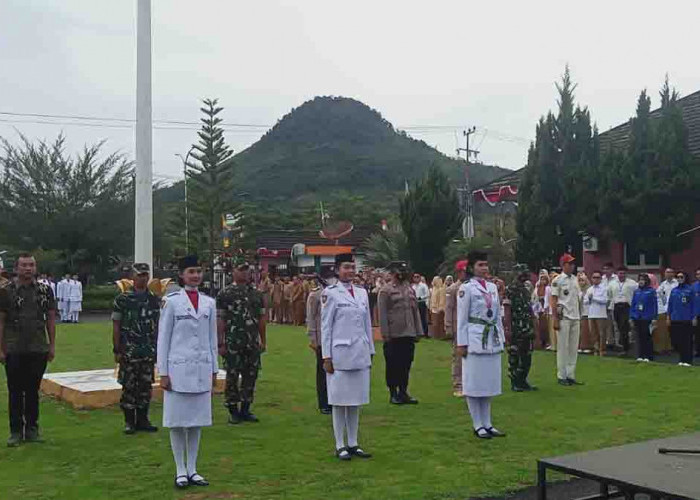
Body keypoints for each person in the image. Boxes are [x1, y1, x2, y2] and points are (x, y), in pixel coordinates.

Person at [157, 255, 218, 489]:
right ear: (181, 275)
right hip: (178, 369)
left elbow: (212, 339)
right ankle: (180, 470)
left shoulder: (209, 303)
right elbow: (163, 339)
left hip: (202, 367)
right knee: (177, 422)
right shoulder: (171, 302)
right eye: (191, 271)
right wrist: (163, 372)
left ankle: (193, 468)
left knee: (196, 422)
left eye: (199, 271)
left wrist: (214, 369)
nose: (195, 275)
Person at [0, 253, 56, 447]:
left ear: (35, 267)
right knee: (15, 391)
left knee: (32, 391)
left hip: (37, 347)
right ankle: (16, 431)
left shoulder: (45, 290)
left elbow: (50, 318)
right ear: (16, 268)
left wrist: (52, 344)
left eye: (31, 265)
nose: (28, 269)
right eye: (24, 265)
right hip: (14, 347)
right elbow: (1, 320)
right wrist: (1, 348)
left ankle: (32, 429)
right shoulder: (5, 291)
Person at [321, 254, 374, 461]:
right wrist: (326, 356)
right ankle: (339, 444)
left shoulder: (361, 293)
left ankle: (353, 442)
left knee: (355, 401)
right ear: (337, 270)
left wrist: (370, 350)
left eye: (352, 267)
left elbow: (367, 324)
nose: (350, 271)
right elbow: (326, 327)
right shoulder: (330, 294)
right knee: (339, 401)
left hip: (359, 352)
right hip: (340, 354)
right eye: (346, 267)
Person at [456, 251, 506, 440]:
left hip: (491, 337)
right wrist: (462, 343)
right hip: (475, 337)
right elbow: (461, 317)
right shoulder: (466, 288)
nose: (484, 268)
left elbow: (497, 315)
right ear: (471, 268)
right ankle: (477, 424)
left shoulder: (493, 287)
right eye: (480, 265)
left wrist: (501, 338)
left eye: (485, 264)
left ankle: (488, 422)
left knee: (488, 383)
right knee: (474, 383)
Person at [112, 263, 161, 434]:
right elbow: (116, 324)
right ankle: (129, 421)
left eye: (146, 275)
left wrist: (157, 348)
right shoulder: (123, 299)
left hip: (147, 350)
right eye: (140, 275)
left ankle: (143, 419)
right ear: (132, 277)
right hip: (129, 350)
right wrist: (116, 349)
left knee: (146, 386)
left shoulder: (154, 299)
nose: (143, 278)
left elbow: (158, 325)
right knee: (129, 386)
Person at [217, 257, 266, 424]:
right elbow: (221, 319)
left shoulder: (256, 293)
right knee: (232, 376)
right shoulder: (225, 293)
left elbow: (261, 318)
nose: (244, 273)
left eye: (247, 270)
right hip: (232, 341)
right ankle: (233, 410)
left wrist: (263, 340)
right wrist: (220, 342)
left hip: (251, 342)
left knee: (250, 376)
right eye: (241, 269)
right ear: (233, 271)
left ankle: (246, 409)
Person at [378, 261, 421, 405]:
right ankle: (393, 393)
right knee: (392, 364)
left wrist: (418, 331)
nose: (402, 274)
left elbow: (415, 312)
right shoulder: (386, 290)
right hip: (394, 333)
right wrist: (385, 334)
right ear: (393, 273)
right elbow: (382, 314)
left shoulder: (409, 289)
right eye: (399, 272)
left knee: (406, 364)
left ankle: (403, 392)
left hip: (408, 333)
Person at [551, 254, 583, 386]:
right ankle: (561, 375)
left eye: (573, 264)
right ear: (563, 265)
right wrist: (555, 319)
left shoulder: (575, 279)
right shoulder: (557, 280)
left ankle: (571, 374)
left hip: (575, 316)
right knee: (563, 347)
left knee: (573, 348)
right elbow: (553, 300)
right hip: (563, 316)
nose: (572, 266)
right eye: (569, 264)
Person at [504, 264, 537, 392]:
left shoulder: (526, 289)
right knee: (515, 355)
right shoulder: (510, 289)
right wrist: (508, 328)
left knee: (527, 355)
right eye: (524, 273)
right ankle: (515, 382)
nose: (526, 275)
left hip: (526, 326)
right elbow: (507, 310)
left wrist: (534, 325)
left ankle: (523, 380)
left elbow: (530, 309)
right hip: (516, 326)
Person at [306, 273, 332, 414]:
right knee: (322, 372)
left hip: (337, 339)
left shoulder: (339, 293)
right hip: (322, 338)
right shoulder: (316, 295)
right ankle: (324, 403)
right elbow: (311, 318)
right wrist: (313, 339)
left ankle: (334, 400)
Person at [445, 262, 467, 397]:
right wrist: (448, 326)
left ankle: (469, 382)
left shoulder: (472, 287)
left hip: (469, 326)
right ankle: (458, 384)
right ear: (459, 272)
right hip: (457, 325)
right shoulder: (453, 288)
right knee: (458, 356)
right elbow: (449, 308)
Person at [667, 271, 694, 367]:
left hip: (686, 319)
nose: (679, 279)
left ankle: (687, 360)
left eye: (681, 277)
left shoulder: (690, 290)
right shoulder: (674, 290)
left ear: (685, 278)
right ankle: (681, 359)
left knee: (686, 340)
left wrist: (693, 317)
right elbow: (670, 304)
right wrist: (668, 317)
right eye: (678, 277)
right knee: (677, 340)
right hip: (675, 318)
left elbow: (694, 304)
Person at [608, 267, 637, 354]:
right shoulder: (612, 283)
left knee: (624, 326)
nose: (622, 275)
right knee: (618, 326)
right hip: (616, 306)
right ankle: (622, 345)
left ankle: (625, 348)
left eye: (623, 273)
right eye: (620, 273)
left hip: (626, 306)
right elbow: (610, 295)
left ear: (626, 274)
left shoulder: (632, 283)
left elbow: (636, 293)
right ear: (617, 273)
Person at [630, 273, 657, 363]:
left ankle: (648, 356)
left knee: (647, 337)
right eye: (640, 280)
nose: (641, 281)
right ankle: (640, 355)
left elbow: (654, 305)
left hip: (647, 317)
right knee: (639, 337)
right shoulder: (636, 291)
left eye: (643, 280)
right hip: (637, 317)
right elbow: (633, 304)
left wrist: (654, 317)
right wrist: (631, 316)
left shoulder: (651, 291)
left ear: (646, 281)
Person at [584, 271, 611, 356]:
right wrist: (589, 299)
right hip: (591, 314)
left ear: (600, 279)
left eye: (597, 277)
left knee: (602, 333)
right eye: (594, 277)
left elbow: (605, 301)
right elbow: (585, 301)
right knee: (593, 333)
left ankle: (602, 350)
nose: (595, 279)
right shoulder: (589, 289)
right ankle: (596, 349)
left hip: (601, 314)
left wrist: (594, 299)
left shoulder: (604, 289)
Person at [655, 268, 677, 354]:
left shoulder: (677, 283)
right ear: (664, 274)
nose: (669, 274)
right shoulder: (662, 285)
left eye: (671, 272)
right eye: (667, 272)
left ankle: (676, 347)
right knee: (667, 330)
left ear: (673, 273)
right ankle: (668, 347)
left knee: (676, 328)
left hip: (676, 309)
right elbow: (660, 297)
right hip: (665, 310)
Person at [601, 263, 619, 350]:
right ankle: (609, 342)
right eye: (604, 269)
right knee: (607, 325)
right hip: (604, 305)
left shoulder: (616, 278)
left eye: (608, 268)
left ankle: (618, 343)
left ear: (612, 269)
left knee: (615, 325)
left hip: (614, 304)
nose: (606, 270)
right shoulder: (602, 279)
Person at [577, 272, 593, 354]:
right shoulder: (579, 292)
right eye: (579, 281)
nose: (581, 282)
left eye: (582, 280)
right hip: (580, 313)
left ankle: (588, 346)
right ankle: (581, 346)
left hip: (588, 313)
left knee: (587, 330)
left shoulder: (590, 290)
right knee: (581, 331)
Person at [694, 268, 700, 357]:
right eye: (698, 274)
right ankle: (698, 351)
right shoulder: (693, 286)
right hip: (697, 313)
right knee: (697, 333)